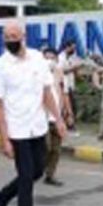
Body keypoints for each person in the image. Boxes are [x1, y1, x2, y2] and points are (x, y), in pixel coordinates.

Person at [0, 22, 66, 206]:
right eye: (6, 37)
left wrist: (58, 119)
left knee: (37, 171)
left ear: (24, 36)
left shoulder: (37, 59)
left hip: (37, 127)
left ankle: (1, 197)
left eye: (14, 36)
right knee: (26, 177)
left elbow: (46, 91)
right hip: (17, 130)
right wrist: (4, 139)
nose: (10, 40)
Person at [42, 46, 66, 187]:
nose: (50, 61)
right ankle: (36, 169)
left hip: (56, 118)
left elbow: (62, 94)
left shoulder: (58, 74)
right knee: (46, 147)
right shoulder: (37, 75)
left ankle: (50, 175)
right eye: (47, 57)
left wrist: (63, 114)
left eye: (52, 58)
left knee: (56, 149)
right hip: (43, 118)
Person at [61, 40, 81, 132]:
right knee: (67, 107)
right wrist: (74, 68)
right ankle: (69, 125)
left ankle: (70, 124)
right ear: (67, 47)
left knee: (72, 106)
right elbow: (62, 71)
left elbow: (75, 70)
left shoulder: (72, 57)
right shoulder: (61, 57)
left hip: (70, 85)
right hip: (64, 85)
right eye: (72, 47)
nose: (74, 49)